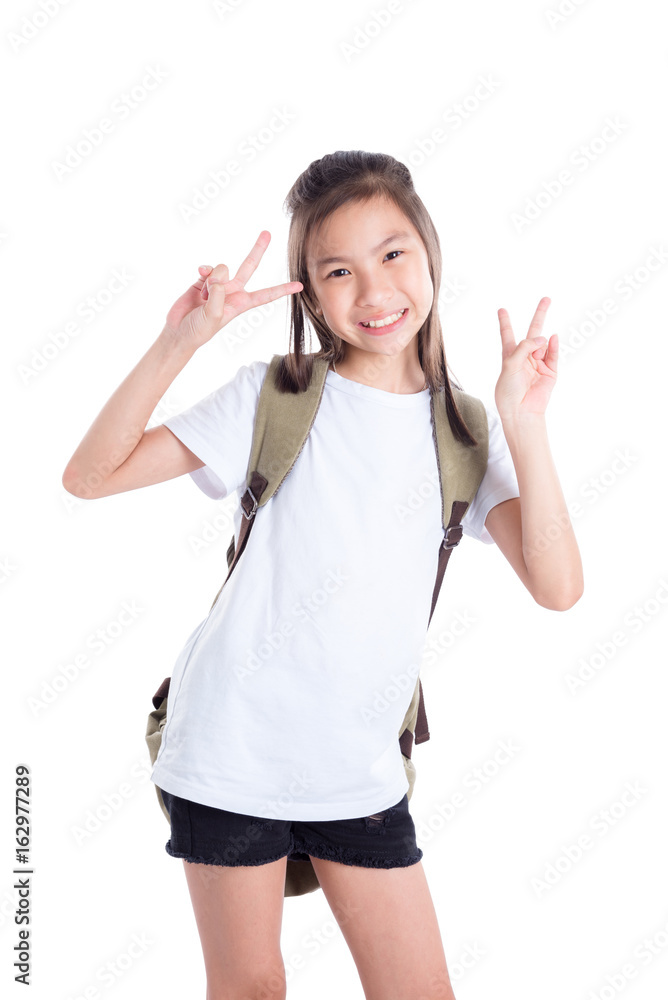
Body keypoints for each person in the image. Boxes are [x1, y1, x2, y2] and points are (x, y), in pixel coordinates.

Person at [62, 150, 584, 1000]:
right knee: (252, 988)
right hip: (230, 748)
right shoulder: (274, 395)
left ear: (429, 255)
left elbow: (559, 586)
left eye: (392, 254)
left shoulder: (464, 427)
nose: (373, 292)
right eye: (337, 270)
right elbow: (90, 476)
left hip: (359, 770)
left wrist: (526, 426)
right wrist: (183, 337)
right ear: (307, 289)